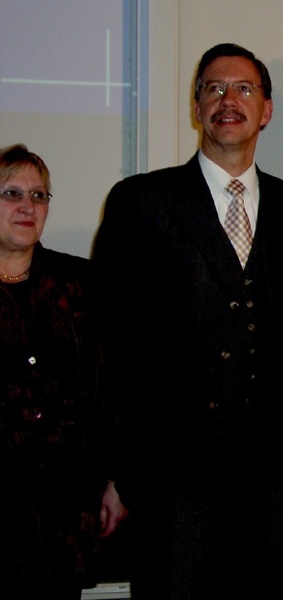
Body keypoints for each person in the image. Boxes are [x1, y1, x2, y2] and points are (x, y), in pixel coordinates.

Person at [91, 43, 283, 600]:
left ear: (267, 110)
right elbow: (110, 341)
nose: (228, 100)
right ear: (196, 106)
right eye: (213, 89)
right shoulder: (143, 201)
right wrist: (116, 469)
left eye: (244, 90)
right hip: (170, 483)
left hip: (267, 483)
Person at [0, 143, 125, 599]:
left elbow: (114, 388)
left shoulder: (83, 284)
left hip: (65, 505)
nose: (26, 206)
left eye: (38, 195)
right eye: (11, 193)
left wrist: (118, 480)